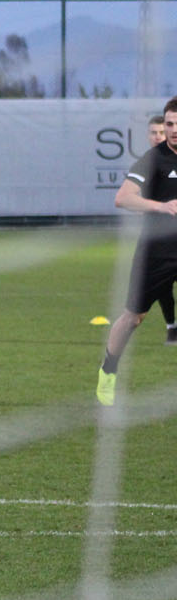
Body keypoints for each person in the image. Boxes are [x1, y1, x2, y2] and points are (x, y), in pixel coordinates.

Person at [95, 98, 177, 405]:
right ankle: (108, 371)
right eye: (169, 124)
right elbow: (123, 198)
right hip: (156, 252)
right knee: (133, 317)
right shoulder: (154, 159)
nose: (174, 130)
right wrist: (161, 206)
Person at [144, 115, 177, 344]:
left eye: (160, 132)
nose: (157, 136)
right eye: (153, 133)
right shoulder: (147, 163)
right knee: (163, 288)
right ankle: (172, 327)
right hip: (157, 238)